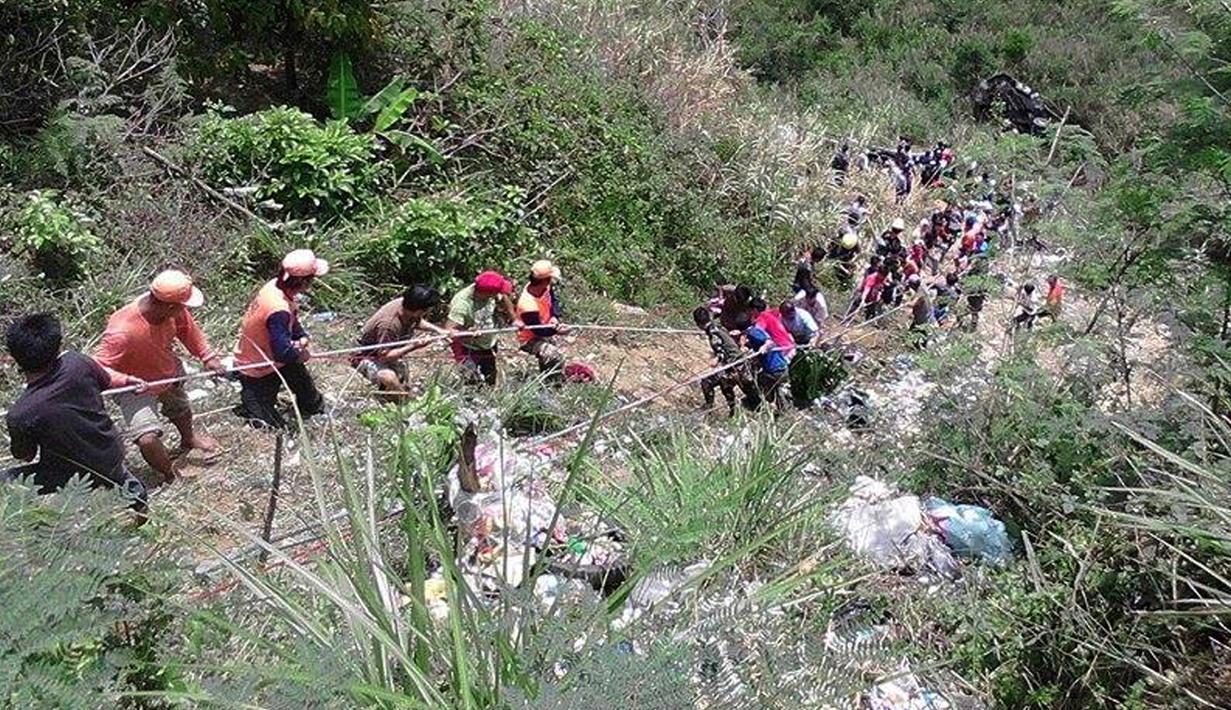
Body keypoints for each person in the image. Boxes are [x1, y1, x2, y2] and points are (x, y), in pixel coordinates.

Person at [4, 314, 147, 519]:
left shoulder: (21, 413)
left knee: (5, 483)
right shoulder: (77, 362)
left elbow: (24, 455)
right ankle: (139, 500)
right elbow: (106, 379)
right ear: (56, 344)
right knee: (114, 474)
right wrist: (127, 380)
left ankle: (29, 527)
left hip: (69, 474)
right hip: (110, 450)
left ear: (14, 357)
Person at [94, 270, 225, 482]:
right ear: (169, 305)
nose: (185, 310)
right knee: (147, 439)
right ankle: (169, 473)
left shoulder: (173, 310)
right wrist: (126, 381)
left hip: (166, 372)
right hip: (135, 387)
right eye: (182, 306)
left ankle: (188, 438)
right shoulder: (122, 331)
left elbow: (188, 330)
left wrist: (207, 356)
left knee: (180, 407)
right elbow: (98, 367)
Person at [233, 249, 328, 429]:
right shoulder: (278, 308)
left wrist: (300, 335)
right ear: (303, 281)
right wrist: (300, 355)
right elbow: (282, 353)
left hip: (270, 354)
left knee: (309, 397)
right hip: (258, 365)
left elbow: (290, 320)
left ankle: (312, 407)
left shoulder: (275, 286)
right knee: (267, 424)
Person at [352, 284, 448, 394]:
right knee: (390, 378)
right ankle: (403, 401)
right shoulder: (389, 324)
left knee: (402, 374)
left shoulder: (406, 305)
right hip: (366, 354)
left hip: (387, 348)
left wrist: (438, 330)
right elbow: (384, 357)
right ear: (419, 311)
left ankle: (400, 393)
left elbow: (417, 321)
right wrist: (414, 346)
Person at [447, 270, 522, 386]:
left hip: (487, 343)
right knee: (471, 380)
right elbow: (449, 331)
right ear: (487, 293)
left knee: (490, 376)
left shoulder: (492, 293)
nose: (499, 294)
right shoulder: (462, 304)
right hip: (466, 347)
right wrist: (467, 333)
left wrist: (514, 319)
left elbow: (504, 298)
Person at [693, 306, 751, 416]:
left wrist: (716, 359)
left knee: (707, 382)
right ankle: (733, 411)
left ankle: (709, 408)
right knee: (725, 384)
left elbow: (721, 352)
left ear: (698, 323)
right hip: (739, 362)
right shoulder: (717, 326)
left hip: (734, 365)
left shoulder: (713, 333)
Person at [516, 260, 567, 381]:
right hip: (530, 338)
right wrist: (557, 331)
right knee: (553, 355)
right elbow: (538, 331)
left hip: (546, 327)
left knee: (554, 355)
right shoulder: (527, 305)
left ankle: (548, 377)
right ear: (545, 280)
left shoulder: (545, 287)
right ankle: (552, 384)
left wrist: (554, 316)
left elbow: (554, 300)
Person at [743, 322, 788, 411]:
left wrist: (764, 347)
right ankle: (781, 404)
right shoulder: (759, 329)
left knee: (758, 382)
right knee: (772, 385)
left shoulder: (752, 333)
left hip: (775, 370)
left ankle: (767, 404)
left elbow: (769, 342)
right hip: (783, 367)